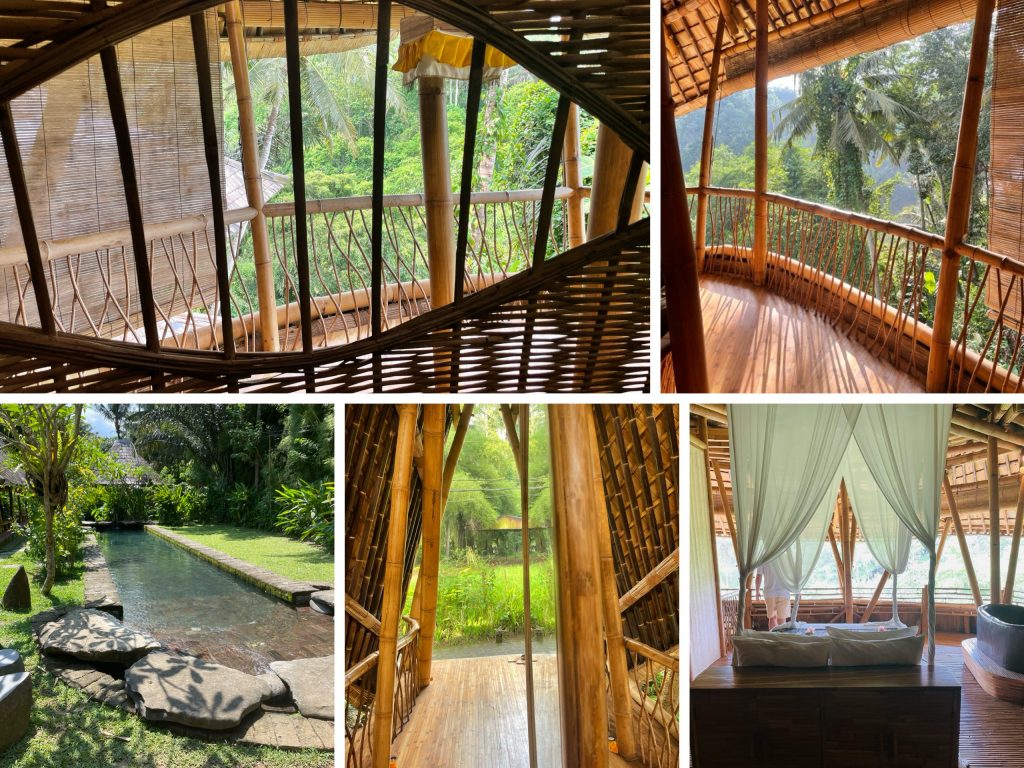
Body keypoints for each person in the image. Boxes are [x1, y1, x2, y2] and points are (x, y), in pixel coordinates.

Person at [755, 559, 791, 629]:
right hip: (783, 592)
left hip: (769, 593)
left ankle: (772, 638)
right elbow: (791, 574)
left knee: (772, 618)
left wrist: (757, 591)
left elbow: (758, 576)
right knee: (782, 620)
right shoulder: (784, 555)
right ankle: (781, 639)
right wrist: (797, 590)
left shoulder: (763, 557)